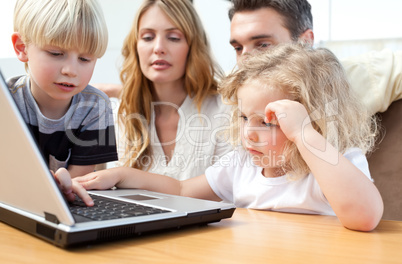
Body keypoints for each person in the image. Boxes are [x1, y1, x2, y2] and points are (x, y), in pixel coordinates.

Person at [69, 43, 383, 231]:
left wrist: (304, 135)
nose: (249, 133)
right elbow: (181, 188)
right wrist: (124, 174)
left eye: (269, 122)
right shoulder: (242, 165)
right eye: (246, 118)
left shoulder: (334, 162)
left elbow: (365, 217)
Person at [111, 0, 232, 180]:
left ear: (193, 47)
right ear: (135, 46)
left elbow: (226, 192)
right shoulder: (121, 114)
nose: (158, 48)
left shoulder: (224, 111)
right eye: (147, 37)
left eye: (174, 38)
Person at [228, 0, 402, 115]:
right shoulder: (232, 103)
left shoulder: (355, 77)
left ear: (305, 41)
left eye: (263, 45)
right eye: (238, 48)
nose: (245, 61)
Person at [8, 0, 118, 178]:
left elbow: (78, 182)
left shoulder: (96, 107)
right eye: (56, 54)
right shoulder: (7, 101)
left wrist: (66, 185)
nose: (71, 71)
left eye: (84, 59)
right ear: (22, 47)